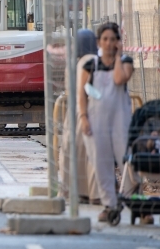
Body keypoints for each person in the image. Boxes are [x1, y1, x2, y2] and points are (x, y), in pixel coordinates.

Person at [77, 22, 134, 223]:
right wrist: (83, 117)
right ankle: (109, 204)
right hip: (96, 120)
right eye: (105, 39)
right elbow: (82, 94)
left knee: (127, 161)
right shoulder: (89, 65)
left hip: (120, 120)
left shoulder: (126, 61)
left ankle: (137, 204)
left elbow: (119, 79)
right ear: (98, 42)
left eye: (113, 39)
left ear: (118, 41)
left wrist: (117, 56)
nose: (109, 43)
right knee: (101, 164)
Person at [59, 29, 100, 205]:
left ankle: (73, 191)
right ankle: (94, 193)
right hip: (89, 109)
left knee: (71, 151)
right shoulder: (92, 61)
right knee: (91, 154)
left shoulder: (73, 63)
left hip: (73, 111)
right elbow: (91, 89)